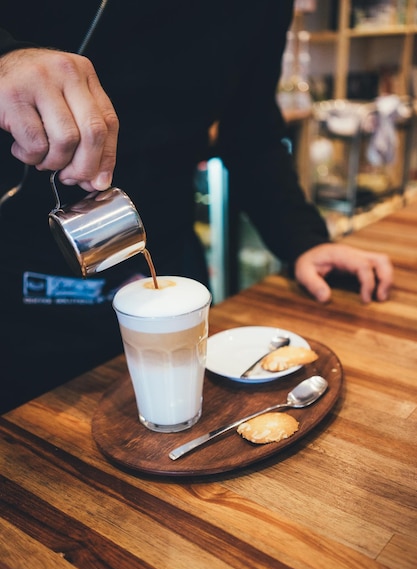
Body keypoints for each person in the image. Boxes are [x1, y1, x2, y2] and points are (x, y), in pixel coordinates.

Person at [0, 1, 393, 413]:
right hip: (23, 274)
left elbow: (252, 131)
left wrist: (303, 240)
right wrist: (8, 56)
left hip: (162, 245)